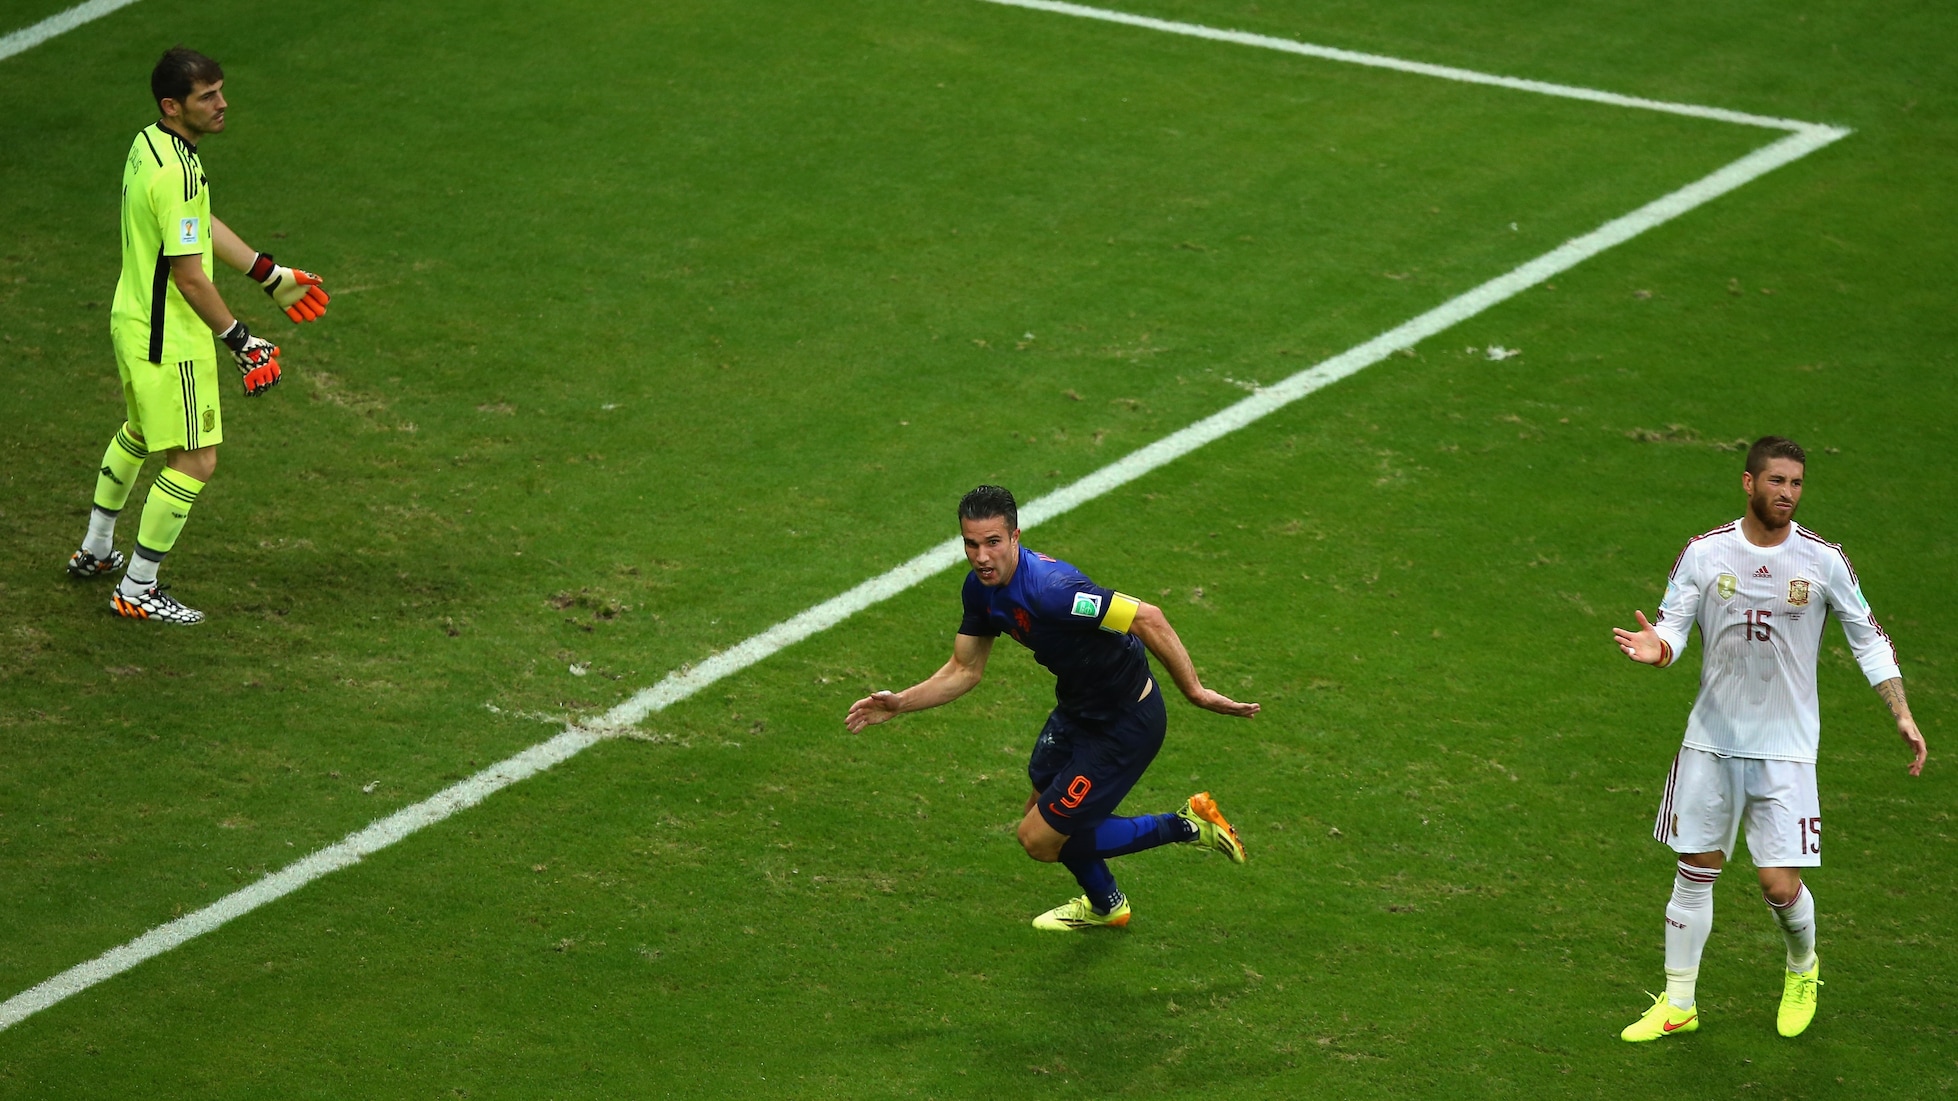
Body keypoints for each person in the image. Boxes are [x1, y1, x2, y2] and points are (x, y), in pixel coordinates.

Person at [1611, 436, 1926, 1041]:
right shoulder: (1705, 553)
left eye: (1796, 483)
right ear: (1749, 483)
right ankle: (1679, 1003)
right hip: (1711, 741)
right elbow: (1672, 628)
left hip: (1785, 749)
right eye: (1777, 481)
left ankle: (1803, 967)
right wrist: (1659, 649)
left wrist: (1902, 712)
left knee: (1778, 885)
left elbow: (1868, 637)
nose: (1788, 493)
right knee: (1694, 870)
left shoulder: (1823, 561)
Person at [846, 485, 1261, 930]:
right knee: (1041, 810)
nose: (981, 557)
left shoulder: (1052, 591)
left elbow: (1147, 617)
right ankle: (1107, 905)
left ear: (1015, 536)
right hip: (1078, 711)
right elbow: (964, 670)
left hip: (1124, 724)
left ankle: (1189, 825)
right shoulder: (980, 590)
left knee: (1039, 840)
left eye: (992, 542)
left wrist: (1195, 692)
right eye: (971, 544)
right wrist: (900, 703)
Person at [67, 46, 330, 624]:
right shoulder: (180, 172)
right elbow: (188, 275)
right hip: (171, 338)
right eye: (207, 96)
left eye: (220, 91)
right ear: (173, 105)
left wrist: (267, 273)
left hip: (131, 320)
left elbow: (194, 221)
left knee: (140, 431)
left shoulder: (149, 145)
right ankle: (137, 588)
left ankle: (96, 548)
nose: (222, 103)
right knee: (196, 460)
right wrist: (241, 339)